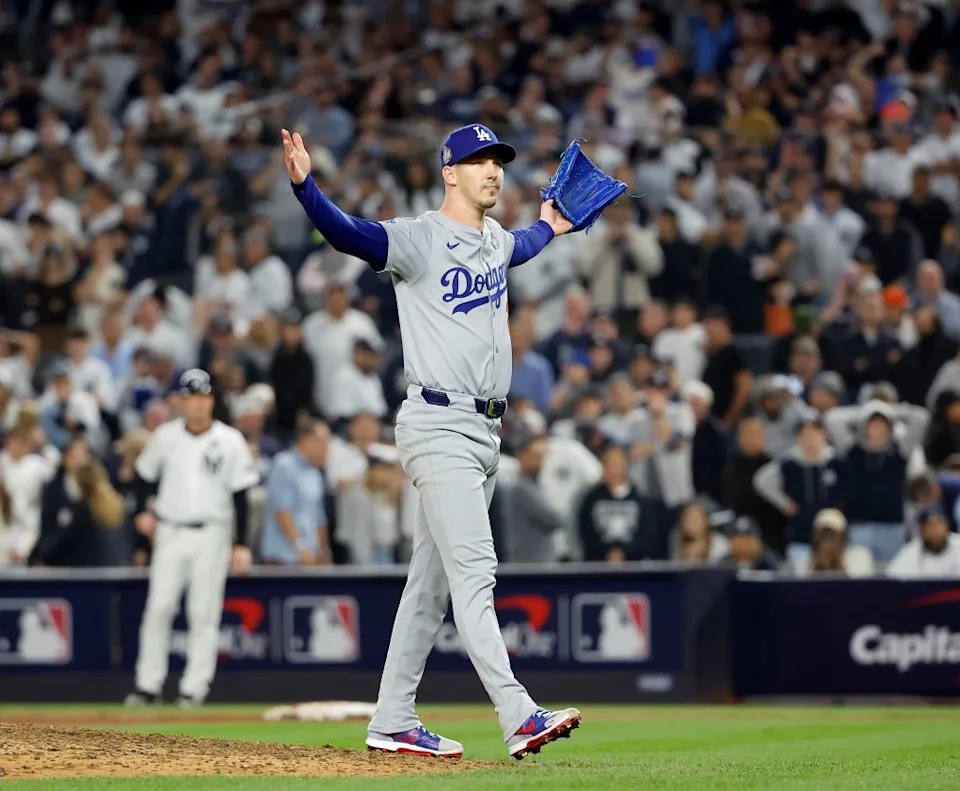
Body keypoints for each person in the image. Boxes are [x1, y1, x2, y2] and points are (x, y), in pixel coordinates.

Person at [283, 123, 580, 759]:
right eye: (478, 162)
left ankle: (392, 719)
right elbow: (348, 234)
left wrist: (550, 227)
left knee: (432, 584)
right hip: (439, 423)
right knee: (476, 572)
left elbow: (521, 246)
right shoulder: (419, 239)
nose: (492, 171)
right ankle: (517, 713)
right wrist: (307, 188)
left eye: (497, 161)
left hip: (486, 431)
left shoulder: (495, 239)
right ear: (450, 172)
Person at [124, 369, 258, 708]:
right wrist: (141, 512)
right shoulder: (165, 437)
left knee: (203, 612)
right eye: (191, 397)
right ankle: (148, 684)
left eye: (202, 397)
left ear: (211, 400)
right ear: (182, 402)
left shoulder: (229, 440)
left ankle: (194, 688)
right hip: (170, 530)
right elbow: (143, 477)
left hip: (212, 533)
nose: (197, 403)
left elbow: (241, 496)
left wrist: (241, 544)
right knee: (159, 607)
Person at [259, 415, 332, 566]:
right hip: (283, 556)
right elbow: (282, 511)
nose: (326, 447)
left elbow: (319, 517)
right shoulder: (284, 465)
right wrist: (300, 547)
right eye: (321, 442)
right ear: (305, 440)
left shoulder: (315, 473)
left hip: (311, 556)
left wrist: (324, 550)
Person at [887, 505, 960, 578]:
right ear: (922, 531)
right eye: (931, 526)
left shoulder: (957, 544)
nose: (936, 531)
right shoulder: (912, 550)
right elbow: (892, 577)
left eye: (939, 525)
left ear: (947, 527)